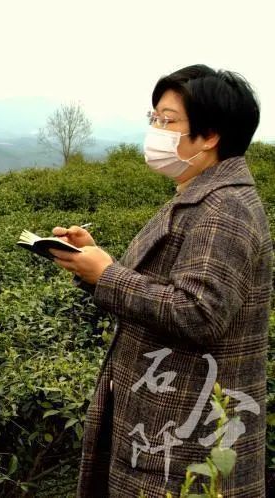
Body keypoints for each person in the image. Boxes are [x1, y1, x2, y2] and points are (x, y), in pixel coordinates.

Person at [49, 65, 270, 497]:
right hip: (160, 423)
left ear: (210, 135)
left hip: (185, 441)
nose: (156, 130)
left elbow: (199, 313)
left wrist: (108, 275)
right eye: (153, 118)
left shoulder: (224, 210)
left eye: (167, 121)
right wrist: (93, 266)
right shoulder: (201, 196)